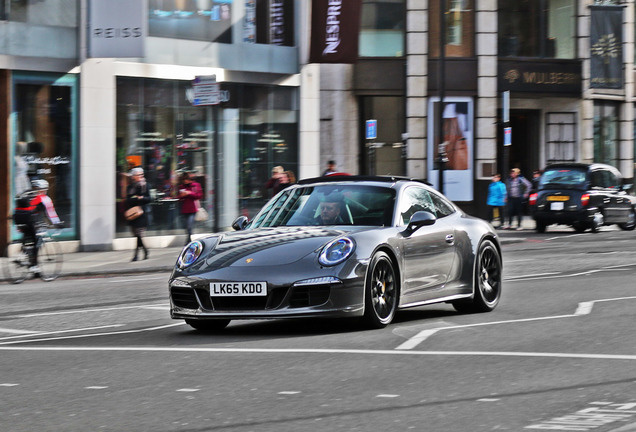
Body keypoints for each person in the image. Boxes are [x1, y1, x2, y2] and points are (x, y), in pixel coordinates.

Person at [13, 179, 62, 273]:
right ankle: (34, 265)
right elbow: (50, 212)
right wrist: (57, 223)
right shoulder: (44, 198)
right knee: (37, 241)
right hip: (29, 219)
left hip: (18, 217)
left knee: (27, 235)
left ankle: (20, 255)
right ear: (43, 189)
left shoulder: (25, 193)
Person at [126, 167, 151, 261]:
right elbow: (128, 200)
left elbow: (149, 199)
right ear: (133, 177)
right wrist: (136, 198)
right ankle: (145, 250)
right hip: (133, 214)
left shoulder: (145, 186)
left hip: (142, 213)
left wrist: (141, 198)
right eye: (138, 175)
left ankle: (136, 255)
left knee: (139, 234)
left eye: (142, 174)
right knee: (137, 235)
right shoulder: (130, 187)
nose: (141, 176)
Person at [178, 171, 203, 244]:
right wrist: (182, 196)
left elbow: (199, 196)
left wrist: (189, 193)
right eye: (184, 180)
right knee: (186, 226)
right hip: (184, 209)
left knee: (189, 225)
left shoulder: (195, 185)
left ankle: (188, 240)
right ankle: (189, 238)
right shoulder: (182, 187)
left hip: (193, 208)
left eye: (186, 179)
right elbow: (179, 197)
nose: (185, 181)